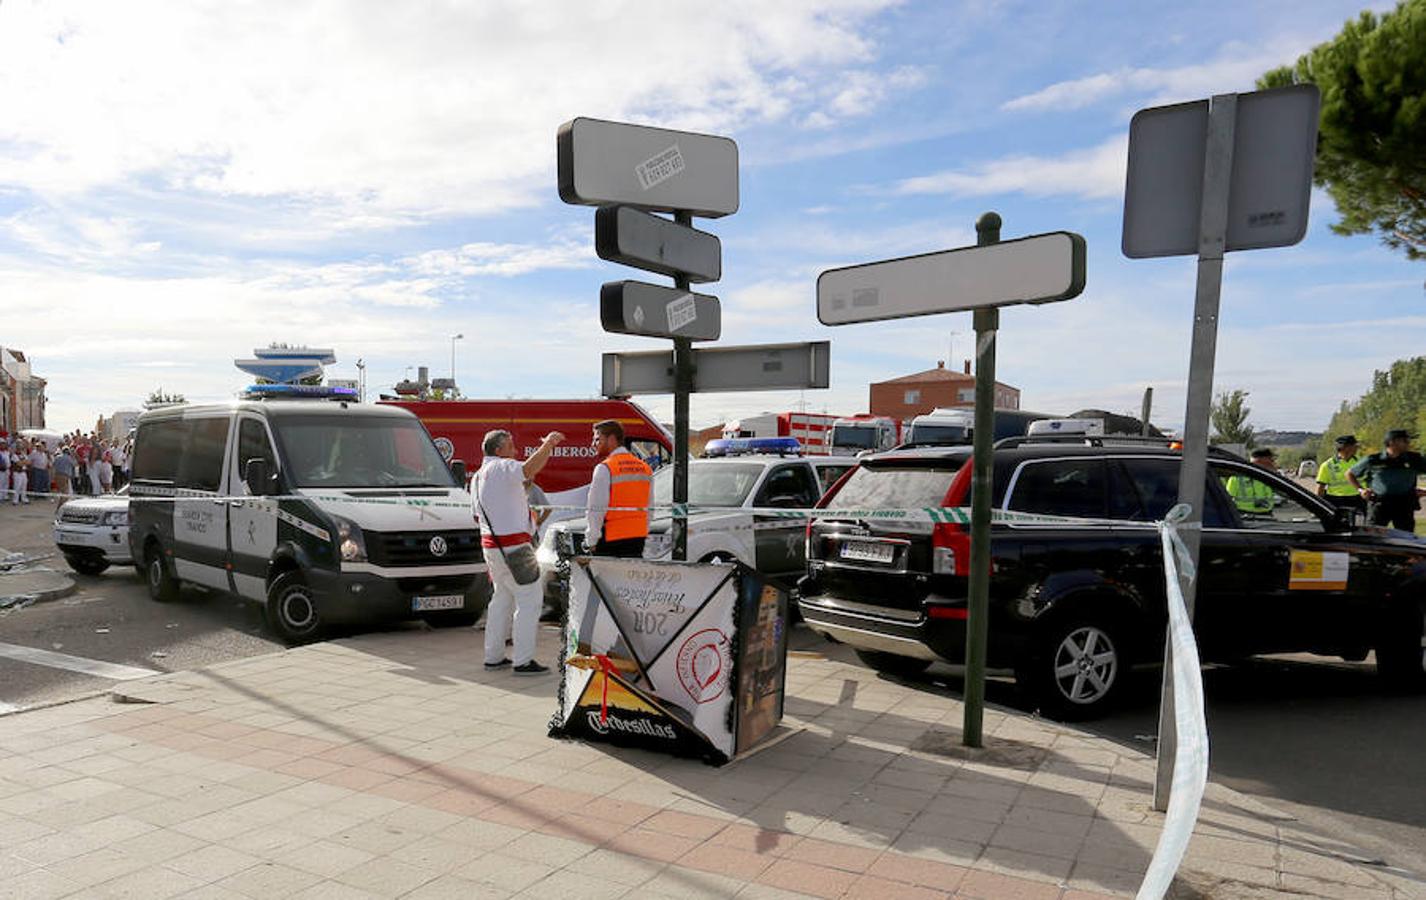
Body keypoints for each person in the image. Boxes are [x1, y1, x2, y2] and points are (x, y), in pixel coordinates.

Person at [473, 428, 564, 675]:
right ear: (499, 450)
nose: (516, 450)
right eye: (512, 446)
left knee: (501, 598)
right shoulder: (503, 467)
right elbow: (529, 469)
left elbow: (478, 514)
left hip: (491, 546)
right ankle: (523, 661)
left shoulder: (479, 476)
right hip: (514, 546)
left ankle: (493, 656)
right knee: (529, 600)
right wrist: (548, 444)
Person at [585, 419, 652, 557]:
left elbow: (596, 508)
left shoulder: (605, 468)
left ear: (611, 439)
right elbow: (650, 508)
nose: (593, 444)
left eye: (598, 439)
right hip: (637, 539)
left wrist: (591, 540)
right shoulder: (645, 468)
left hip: (610, 539)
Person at [1347, 429, 1426, 532]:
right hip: (1379, 503)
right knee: (1373, 536)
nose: (1408, 443)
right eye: (1405, 441)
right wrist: (1361, 490)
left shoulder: (1414, 459)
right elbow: (1350, 474)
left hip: (1404, 503)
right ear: (1392, 442)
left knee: (1406, 537)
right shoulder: (1374, 460)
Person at [1315, 435, 1364, 514]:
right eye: (1354, 446)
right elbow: (1320, 488)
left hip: (1358, 500)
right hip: (1336, 502)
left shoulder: (1361, 462)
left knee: (1358, 525)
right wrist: (1317, 506)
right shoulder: (1327, 465)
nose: (1357, 448)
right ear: (1346, 447)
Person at [1225, 448, 1276, 515]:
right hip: (1244, 516)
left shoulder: (1269, 476)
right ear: (1259, 461)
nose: (1272, 463)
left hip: (1266, 514)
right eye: (1270, 460)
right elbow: (1227, 498)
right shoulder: (1237, 477)